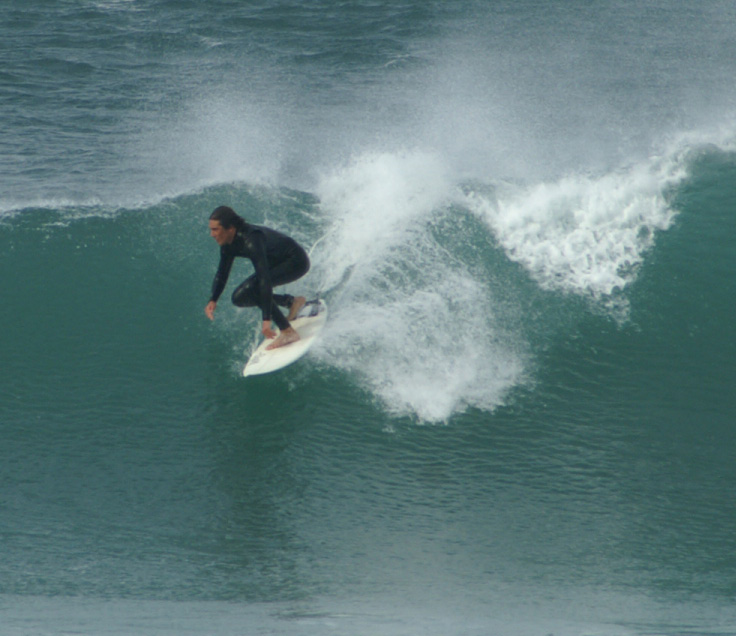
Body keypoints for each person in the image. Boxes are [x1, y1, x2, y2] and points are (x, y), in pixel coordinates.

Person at [205, 205, 309, 350]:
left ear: (230, 228)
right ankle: (292, 302)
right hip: (276, 262)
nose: (212, 234)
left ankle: (288, 332)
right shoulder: (228, 244)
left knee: (254, 288)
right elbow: (222, 272)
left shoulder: (252, 239)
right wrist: (213, 298)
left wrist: (266, 318)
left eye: (215, 229)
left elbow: (264, 280)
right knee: (239, 298)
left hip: (295, 261)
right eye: (211, 229)